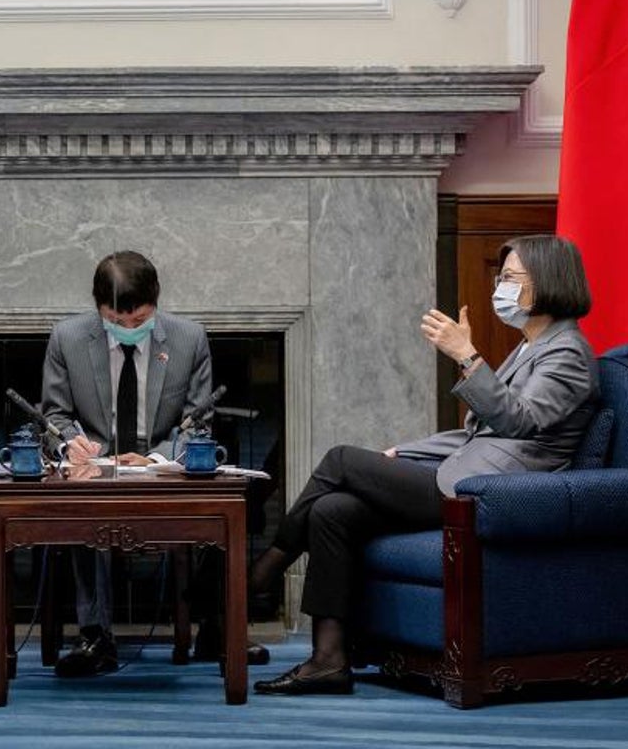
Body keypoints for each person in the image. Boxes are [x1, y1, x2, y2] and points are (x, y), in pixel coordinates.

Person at [250, 234, 598, 696]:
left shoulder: (568, 352)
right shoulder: (532, 346)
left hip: (491, 496)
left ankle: (261, 574)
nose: (502, 288)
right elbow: (478, 435)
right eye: (501, 277)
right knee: (333, 511)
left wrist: (467, 356)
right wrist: (407, 452)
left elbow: (520, 421)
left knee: (339, 459)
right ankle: (328, 661)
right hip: (464, 475)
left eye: (513, 279)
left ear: (550, 282)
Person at [39, 250, 267, 675]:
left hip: (162, 461)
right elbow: (55, 415)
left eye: (139, 321)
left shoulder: (188, 339)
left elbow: (198, 423)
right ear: (98, 309)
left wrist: (157, 458)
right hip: (96, 464)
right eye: (116, 321)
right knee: (83, 504)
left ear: (156, 303)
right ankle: (94, 637)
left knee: (224, 500)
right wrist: (73, 444)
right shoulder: (67, 338)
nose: (128, 329)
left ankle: (215, 626)